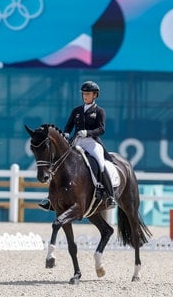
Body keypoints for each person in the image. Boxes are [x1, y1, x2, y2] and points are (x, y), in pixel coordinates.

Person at [38, 80, 116, 211]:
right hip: (76, 141)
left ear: (95, 95)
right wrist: (67, 133)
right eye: (84, 94)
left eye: (88, 94)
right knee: (60, 164)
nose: (85, 96)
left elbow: (101, 129)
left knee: (100, 164)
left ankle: (109, 195)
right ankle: (51, 198)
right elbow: (69, 126)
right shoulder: (77, 110)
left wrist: (88, 132)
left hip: (92, 142)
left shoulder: (99, 111)